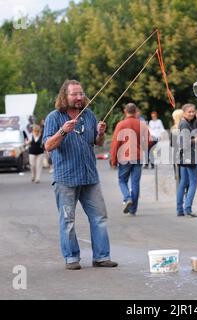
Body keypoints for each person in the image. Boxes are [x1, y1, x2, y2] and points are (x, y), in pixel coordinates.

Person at [43, 79, 118, 270]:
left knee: (99, 217)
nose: (79, 97)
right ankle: (71, 258)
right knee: (68, 221)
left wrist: (101, 133)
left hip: (90, 177)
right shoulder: (54, 117)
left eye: (81, 93)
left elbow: (98, 142)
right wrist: (63, 131)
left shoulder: (89, 115)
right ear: (64, 96)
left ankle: (101, 257)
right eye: (74, 94)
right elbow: (48, 146)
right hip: (66, 178)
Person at [110, 102, 151, 216]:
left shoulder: (121, 124)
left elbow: (115, 143)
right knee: (135, 183)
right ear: (135, 111)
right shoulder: (142, 124)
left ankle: (127, 198)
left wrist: (113, 160)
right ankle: (133, 210)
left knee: (122, 180)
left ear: (125, 111)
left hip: (124, 157)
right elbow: (149, 141)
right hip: (138, 157)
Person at [177, 103, 197, 217]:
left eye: (193, 111)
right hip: (189, 156)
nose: (192, 113)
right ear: (184, 113)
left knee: (183, 182)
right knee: (193, 183)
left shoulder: (185, 123)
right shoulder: (184, 124)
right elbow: (185, 143)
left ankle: (180, 209)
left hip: (184, 156)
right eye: (189, 112)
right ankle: (187, 208)